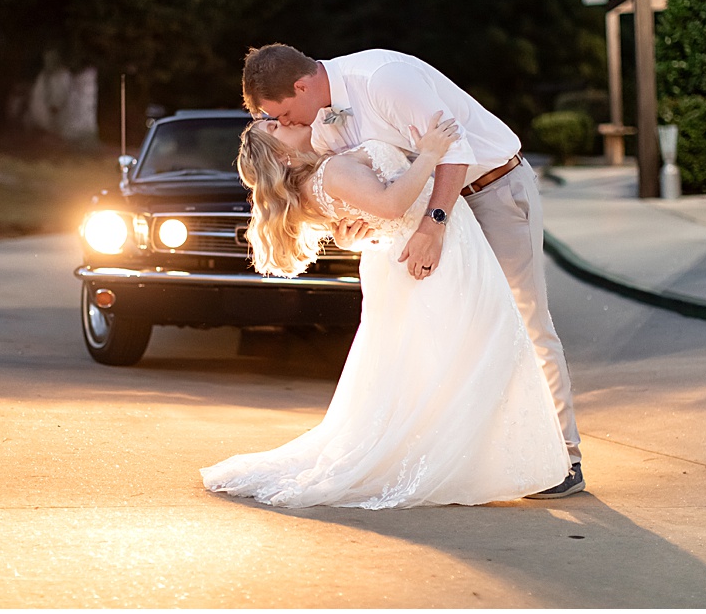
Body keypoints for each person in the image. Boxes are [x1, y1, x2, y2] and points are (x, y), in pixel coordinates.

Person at [239, 43, 584, 499]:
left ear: (301, 85)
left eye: (281, 114)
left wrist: (433, 225)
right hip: (433, 220)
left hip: (489, 189)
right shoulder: (319, 125)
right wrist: (357, 226)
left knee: (525, 320)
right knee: (461, 338)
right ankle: (492, 453)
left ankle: (565, 456)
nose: (283, 124)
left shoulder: (383, 78)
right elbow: (365, 188)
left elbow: (452, 148)